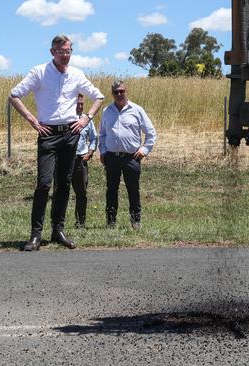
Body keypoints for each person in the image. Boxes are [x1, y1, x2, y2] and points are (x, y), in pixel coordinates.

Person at [9, 35, 104, 251]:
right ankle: (35, 235)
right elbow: (14, 95)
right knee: (44, 183)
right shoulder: (39, 72)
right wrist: (33, 121)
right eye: (61, 51)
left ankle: (58, 230)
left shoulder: (77, 74)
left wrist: (86, 118)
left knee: (64, 183)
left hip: (70, 133)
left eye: (68, 51)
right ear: (52, 52)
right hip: (48, 134)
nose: (65, 55)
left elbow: (99, 97)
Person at [99, 80, 157, 229]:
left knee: (133, 190)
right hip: (112, 157)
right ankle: (110, 222)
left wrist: (144, 150)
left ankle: (135, 221)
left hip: (132, 158)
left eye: (122, 91)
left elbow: (151, 133)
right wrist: (103, 151)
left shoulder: (137, 110)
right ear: (112, 94)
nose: (119, 94)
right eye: (116, 92)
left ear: (126, 91)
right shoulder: (107, 111)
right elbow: (103, 134)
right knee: (111, 190)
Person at [70, 94, 97, 229]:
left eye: (82, 104)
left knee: (81, 193)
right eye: (77, 103)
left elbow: (94, 138)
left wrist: (90, 152)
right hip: (65, 161)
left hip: (81, 160)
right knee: (60, 192)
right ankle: (58, 224)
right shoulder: (64, 119)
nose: (80, 106)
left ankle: (80, 222)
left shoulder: (87, 120)